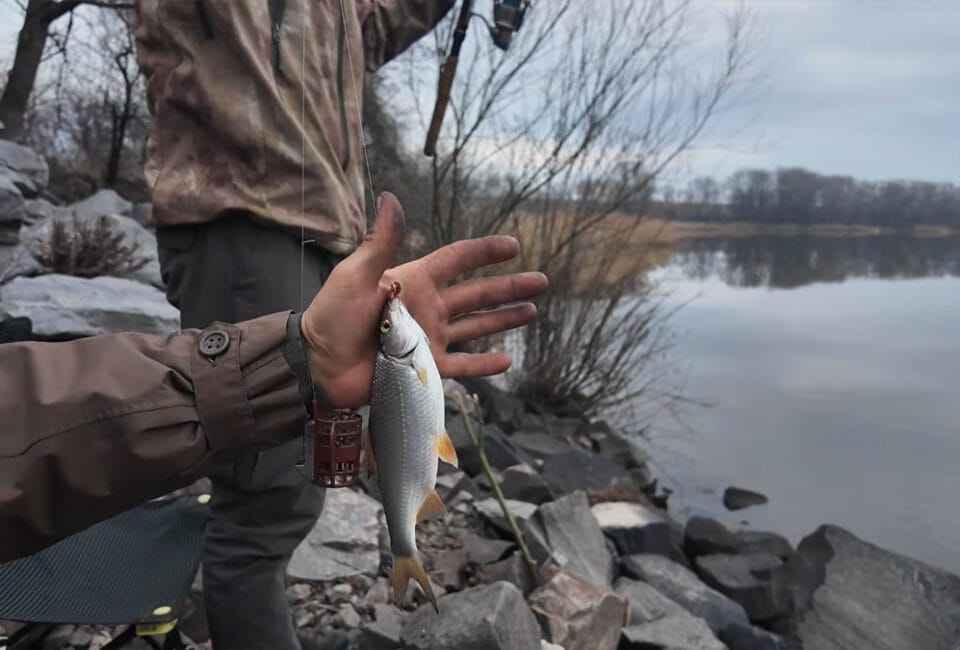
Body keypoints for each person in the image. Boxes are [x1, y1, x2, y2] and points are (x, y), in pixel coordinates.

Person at [132, 1, 457, 647]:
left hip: (324, 244)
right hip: (246, 228)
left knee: (302, 478)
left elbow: (378, 25)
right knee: (264, 507)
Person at [0, 193, 547, 566]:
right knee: (265, 500)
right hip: (255, 222)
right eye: (389, 323)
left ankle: (398, 544)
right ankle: (401, 552)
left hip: (308, 236)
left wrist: (304, 355)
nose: (392, 319)